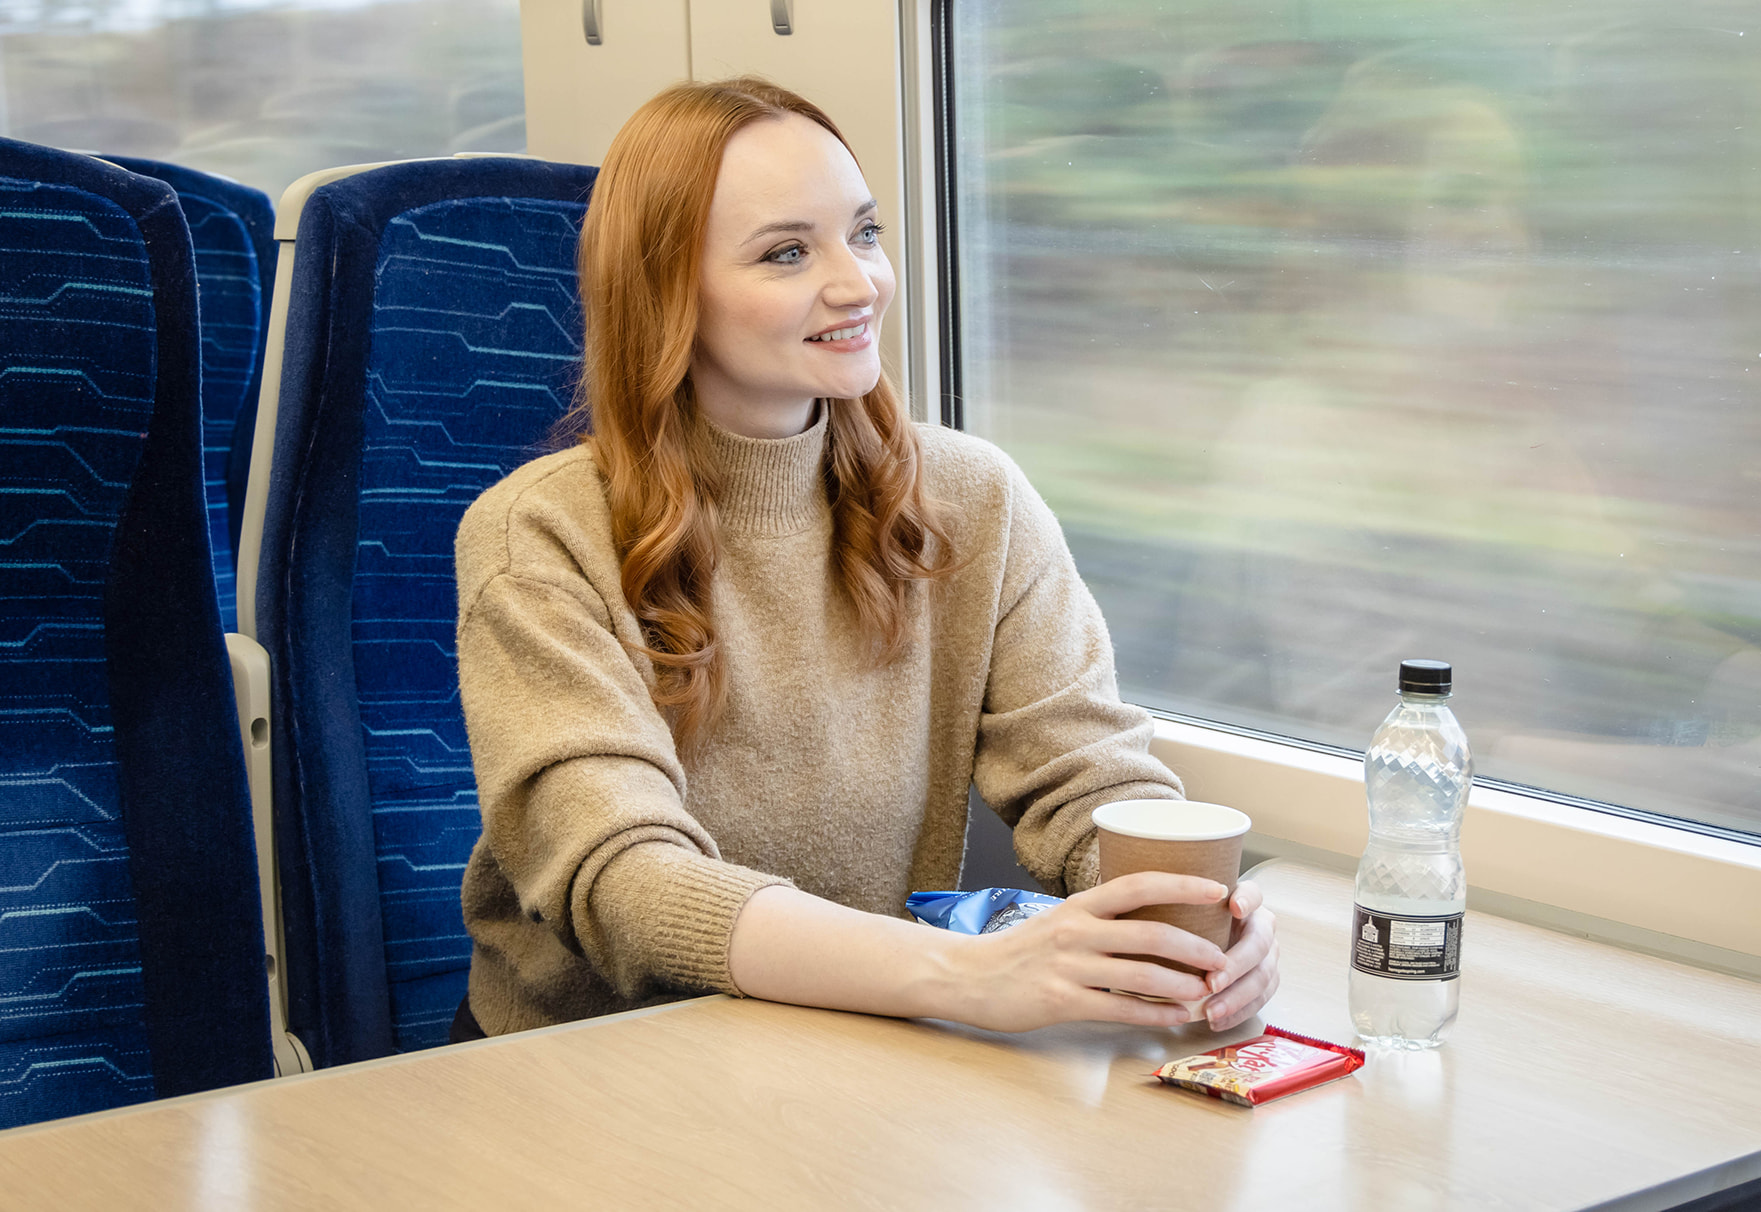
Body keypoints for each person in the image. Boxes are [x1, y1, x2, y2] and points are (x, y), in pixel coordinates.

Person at [448, 76, 1280, 1041]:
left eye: (866, 232)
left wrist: (1184, 923)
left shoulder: (973, 498)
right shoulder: (538, 536)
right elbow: (628, 881)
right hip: (599, 1067)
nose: (859, 283)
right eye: (788, 252)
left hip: (861, 1034)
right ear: (666, 292)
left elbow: (1084, 776)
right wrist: (964, 974)